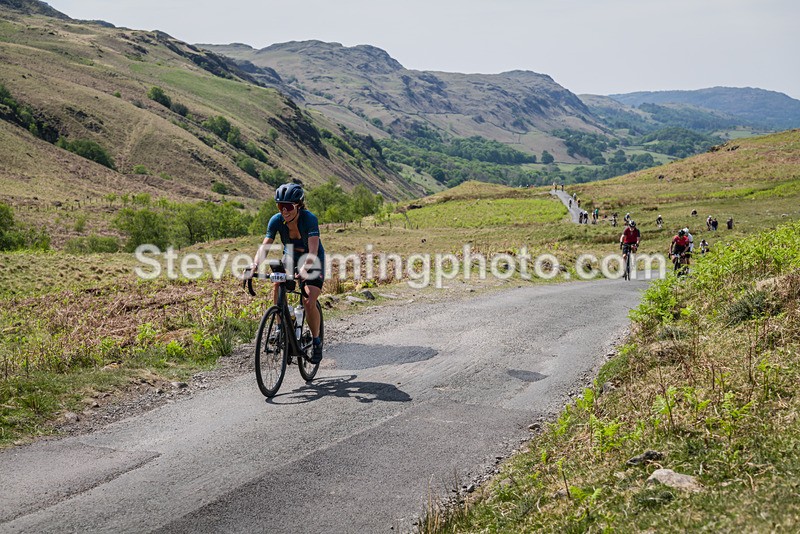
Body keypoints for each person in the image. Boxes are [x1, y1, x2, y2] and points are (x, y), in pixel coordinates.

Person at [248, 183, 326, 364]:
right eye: (280, 206)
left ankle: (316, 341)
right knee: (277, 281)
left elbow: (313, 250)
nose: (284, 210)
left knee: (308, 300)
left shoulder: (309, 219)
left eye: (288, 206)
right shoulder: (276, 220)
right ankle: (279, 327)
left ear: (298, 205)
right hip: (290, 256)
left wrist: (306, 269)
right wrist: (254, 265)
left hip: (312, 259)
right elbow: (265, 246)